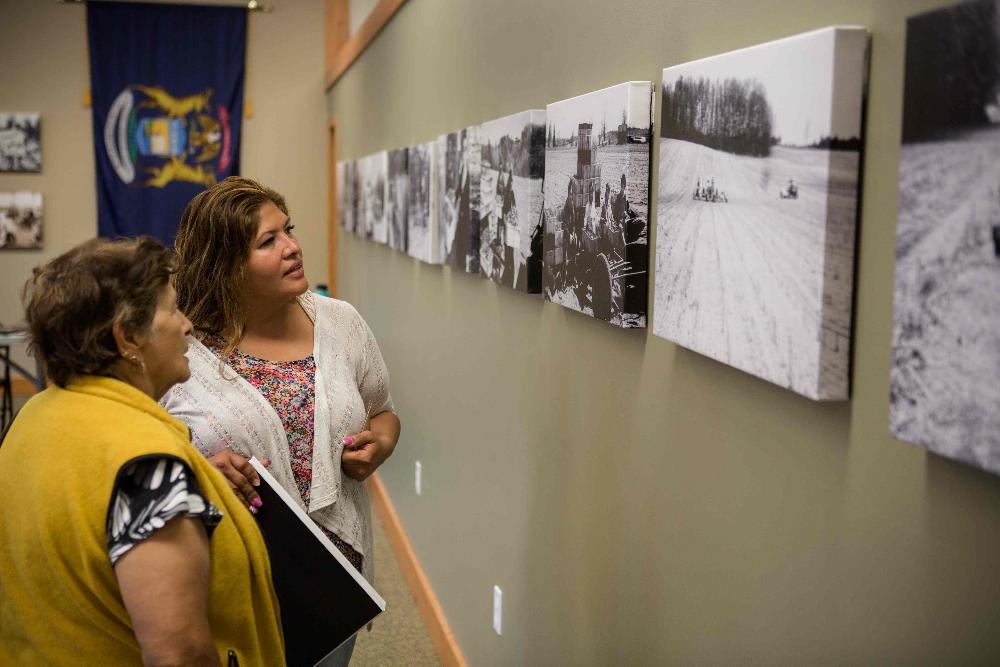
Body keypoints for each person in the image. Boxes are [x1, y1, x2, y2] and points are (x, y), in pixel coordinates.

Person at [0, 237, 284, 666]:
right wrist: (166, 484)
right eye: (172, 309)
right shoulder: (148, 465)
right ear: (128, 336)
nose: (187, 324)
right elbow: (179, 654)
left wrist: (196, 481)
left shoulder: (35, 417)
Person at [163, 176, 401, 666]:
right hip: (228, 576)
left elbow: (382, 409)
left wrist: (380, 444)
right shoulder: (178, 348)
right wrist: (201, 468)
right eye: (268, 242)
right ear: (223, 264)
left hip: (333, 576)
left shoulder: (339, 323)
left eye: (288, 230)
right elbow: (146, 449)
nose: (293, 247)